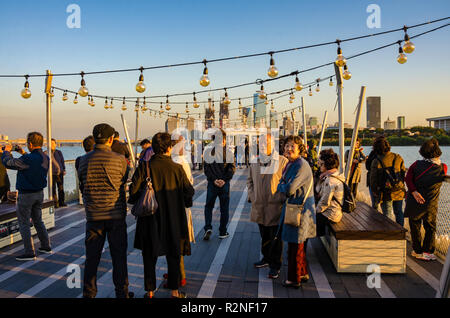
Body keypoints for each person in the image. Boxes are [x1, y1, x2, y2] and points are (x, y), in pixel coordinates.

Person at [129, 132, 194, 298]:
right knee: (173, 254)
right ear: (169, 147)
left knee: (149, 257)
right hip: (173, 218)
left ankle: (150, 292)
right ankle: (174, 291)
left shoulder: (145, 167)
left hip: (150, 219)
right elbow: (189, 192)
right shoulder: (177, 168)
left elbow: (133, 192)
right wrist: (184, 204)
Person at [77, 124, 132, 298]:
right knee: (119, 257)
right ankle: (121, 293)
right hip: (115, 214)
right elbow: (124, 181)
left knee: (92, 258)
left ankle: (89, 293)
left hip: (93, 215)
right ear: (110, 139)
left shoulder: (82, 160)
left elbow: (82, 184)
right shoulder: (120, 159)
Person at [1, 132, 52, 261]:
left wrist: (6, 152)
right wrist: (22, 152)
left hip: (26, 195)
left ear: (30, 144)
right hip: (39, 193)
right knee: (38, 220)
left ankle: (29, 252)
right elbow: (31, 163)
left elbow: (9, 163)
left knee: (23, 222)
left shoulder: (28, 159)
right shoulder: (45, 157)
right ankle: (46, 246)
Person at [276, 136, 316, 288]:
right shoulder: (292, 164)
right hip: (296, 208)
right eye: (286, 146)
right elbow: (283, 182)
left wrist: (281, 187)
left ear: (300, 149)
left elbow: (289, 188)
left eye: (292, 146)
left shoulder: (300, 165)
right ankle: (303, 273)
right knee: (298, 243)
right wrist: (283, 184)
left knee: (295, 245)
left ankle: (294, 278)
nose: (288, 149)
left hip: (300, 210)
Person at [248, 133, 288, 279]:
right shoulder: (254, 161)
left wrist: (279, 197)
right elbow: (249, 181)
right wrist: (253, 197)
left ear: (273, 145)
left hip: (274, 206)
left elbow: (287, 183)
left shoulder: (282, 161)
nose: (263, 146)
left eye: (266, 143)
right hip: (259, 205)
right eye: (261, 143)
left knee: (275, 238)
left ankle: (275, 265)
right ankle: (266, 258)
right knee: (264, 234)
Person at [405, 138, 447, 261]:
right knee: (430, 226)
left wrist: (414, 191)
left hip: (414, 199)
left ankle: (417, 251)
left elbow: (408, 178)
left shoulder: (415, 164)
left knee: (415, 225)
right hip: (430, 202)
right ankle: (427, 252)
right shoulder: (442, 167)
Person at [168, 135, 195, 288]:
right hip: (181, 206)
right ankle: (177, 274)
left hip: (174, 206)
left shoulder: (175, 161)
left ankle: (179, 275)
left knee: (174, 242)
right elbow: (189, 184)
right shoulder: (180, 161)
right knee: (177, 242)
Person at [203, 129, 236, 240]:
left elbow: (206, 170)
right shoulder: (229, 153)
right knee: (224, 209)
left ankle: (208, 227)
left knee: (209, 206)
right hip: (224, 185)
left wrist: (214, 180)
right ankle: (222, 231)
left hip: (212, 185)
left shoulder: (208, 152)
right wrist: (224, 180)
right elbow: (231, 169)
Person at [370, 136, 406, 226]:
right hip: (398, 189)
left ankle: (390, 234)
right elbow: (403, 172)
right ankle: (400, 233)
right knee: (399, 212)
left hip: (385, 191)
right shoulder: (398, 157)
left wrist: (375, 191)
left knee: (387, 214)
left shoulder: (376, 161)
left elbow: (373, 179)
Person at [315, 149, 345, 237]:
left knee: (306, 224)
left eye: (321, 164)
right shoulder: (335, 175)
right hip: (335, 211)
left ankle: (304, 249)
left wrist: (315, 211)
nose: (319, 166)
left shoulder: (330, 180)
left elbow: (324, 202)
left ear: (327, 164)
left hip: (331, 214)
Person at [46, 139, 66, 208]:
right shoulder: (47, 153)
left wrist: (64, 169)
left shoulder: (59, 152)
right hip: (51, 174)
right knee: (53, 189)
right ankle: (55, 204)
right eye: (50, 143)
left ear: (55, 144)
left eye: (53, 143)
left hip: (59, 173)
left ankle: (62, 202)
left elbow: (62, 161)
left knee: (61, 188)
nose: (52, 144)